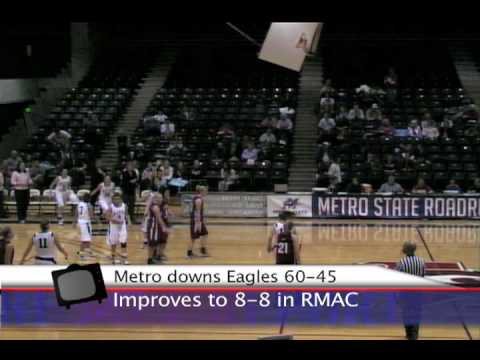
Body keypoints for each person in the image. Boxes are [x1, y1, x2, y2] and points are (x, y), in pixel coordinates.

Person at [396, 241, 425, 340]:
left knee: (406, 313)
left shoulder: (402, 262)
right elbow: (423, 276)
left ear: (406, 250)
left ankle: (409, 334)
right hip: (418, 292)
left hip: (406, 292)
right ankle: (414, 335)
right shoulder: (421, 261)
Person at [106, 192, 129, 264]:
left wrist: (129, 221)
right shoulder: (111, 207)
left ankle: (124, 258)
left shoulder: (124, 206)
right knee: (114, 242)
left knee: (123, 240)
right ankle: (113, 257)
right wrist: (114, 220)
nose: (116, 200)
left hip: (122, 225)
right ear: (112, 200)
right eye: (115, 199)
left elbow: (126, 215)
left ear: (121, 199)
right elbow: (107, 217)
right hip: (113, 226)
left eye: (118, 199)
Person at [146, 193, 169, 264]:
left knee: (154, 243)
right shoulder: (155, 207)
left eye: (161, 198)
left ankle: (153, 258)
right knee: (152, 243)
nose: (161, 199)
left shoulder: (156, 206)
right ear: (156, 199)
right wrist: (164, 227)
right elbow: (159, 218)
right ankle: (150, 259)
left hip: (155, 227)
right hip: (153, 227)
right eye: (160, 198)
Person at [187, 185, 209, 258]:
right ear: (201, 191)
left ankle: (202, 249)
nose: (206, 192)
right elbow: (197, 212)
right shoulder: (198, 200)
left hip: (198, 220)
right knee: (193, 237)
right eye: (205, 191)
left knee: (205, 233)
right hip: (196, 221)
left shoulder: (199, 198)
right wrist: (198, 223)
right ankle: (189, 253)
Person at [75, 193, 95, 259]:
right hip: (85, 223)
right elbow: (92, 216)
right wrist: (98, 218)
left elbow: (76, 213)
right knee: (85, 240)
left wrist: (74, 222)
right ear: (89, 199)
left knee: (86, 239)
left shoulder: (79, 204)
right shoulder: (89, 205)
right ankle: (82, 255)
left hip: (79, 222)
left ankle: (87, 251)